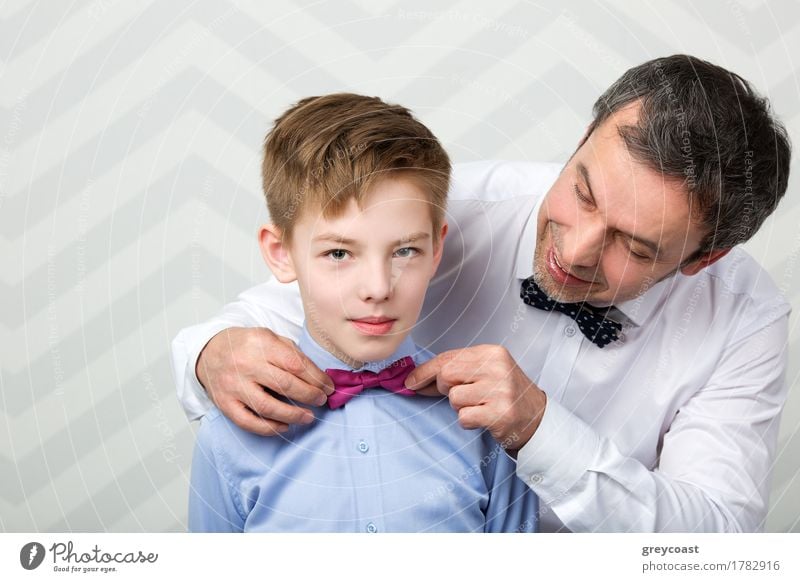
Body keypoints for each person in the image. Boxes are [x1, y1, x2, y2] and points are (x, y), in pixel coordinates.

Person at [173, 55, 792, 532]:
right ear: (582, 139)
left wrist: (542, 430)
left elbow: (716, 546)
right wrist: (211, 353)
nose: (574, 251)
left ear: (703, 259)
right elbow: (276, 309)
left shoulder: (743, 319)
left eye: (634, 246)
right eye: (583, 192)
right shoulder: (439, 214)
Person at [187, 93, 538, 532]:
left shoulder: (484, 424)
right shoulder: (230, 436)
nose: (377, 288)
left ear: (436, 250)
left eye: (405, 250)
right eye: (338, 253)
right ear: (281, 253)